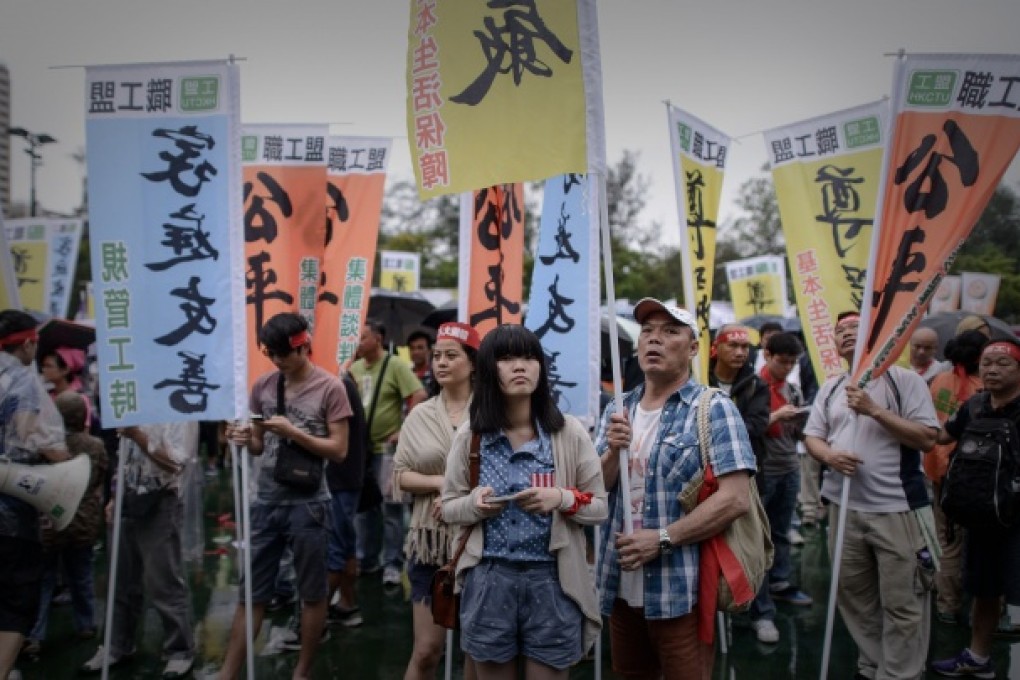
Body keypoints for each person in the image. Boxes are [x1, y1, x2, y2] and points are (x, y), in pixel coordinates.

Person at [595, 298, 757, 680]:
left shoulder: (713, 407)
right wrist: (612, 452)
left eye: (670, 332)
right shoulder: (618, 407)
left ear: (694, 347)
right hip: (619, 582)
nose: (655, 339)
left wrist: (663, 539)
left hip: (680, 587)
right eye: (648, 331)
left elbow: (736, 498)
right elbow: (598, 488)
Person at [442, 324, 607, 679]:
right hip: (488, 578)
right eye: (506, 358)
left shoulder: (568, 432)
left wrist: (560, 498)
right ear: (487, 370)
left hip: (553, 580)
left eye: (529, 357)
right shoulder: (471, 436)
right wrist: (474, 504)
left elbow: (598, 506)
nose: (520, 366)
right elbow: (448, 507)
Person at [803, 311, 939, 680]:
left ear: (876, 337)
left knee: (903, 600)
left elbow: (928, 438)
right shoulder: (832, 386)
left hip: (896, 508)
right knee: (853, 595)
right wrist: (829, 455)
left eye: (855, 328)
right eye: (840, 330)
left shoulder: (904, 381)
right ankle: (877, 664)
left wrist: (874, 410)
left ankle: (901, 674)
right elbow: (812, 436)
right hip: (844, 510)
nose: (846, 334)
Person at [218, 312, 351, 680]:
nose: (277, 360)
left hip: (309, 504)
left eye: (283, 353)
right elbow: (260, 446)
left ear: (303, 346)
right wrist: (246, 439)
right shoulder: (262, 386)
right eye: (271, 353)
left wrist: (294, 432)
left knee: (311, 593)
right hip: (266, 500)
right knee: (253, 592)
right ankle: (228, 672)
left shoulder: (330, 388)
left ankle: (302, 670)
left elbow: (339, 450)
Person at [79, 419, 199, 678]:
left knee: (163, 580)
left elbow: (176, 463)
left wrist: (138, 435)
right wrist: (113, 495)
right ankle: (116, 645)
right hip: (126, 493)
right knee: (120, 579)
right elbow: (122, 455)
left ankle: (179, 649)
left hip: (161, 498)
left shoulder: (179, 410)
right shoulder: (133, 401)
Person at [930, 338, 1020, 678]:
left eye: (1003, 363)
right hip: (982, 518)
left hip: (1017, 522)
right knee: (985, 591)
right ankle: (978, 658)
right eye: (987, 362)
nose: (993, 369)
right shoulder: (975, 405)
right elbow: (941, 436)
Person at [395, 322, 479, 680]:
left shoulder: (492, 414)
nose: (441, 362)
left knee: (476, 651)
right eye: (437, 356)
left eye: (451, 355)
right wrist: (438, 481)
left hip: (479, 541)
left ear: (473, 363)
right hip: (430, 543)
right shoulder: (420, 414)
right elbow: (399, 475)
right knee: (427, 651)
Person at [0, 310, 69, 680]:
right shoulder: (24, 383)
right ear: (27, 343)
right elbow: (34, 438)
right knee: (16, 603)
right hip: (10, 511)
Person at [24, 391, 107, 655]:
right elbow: (100, 477)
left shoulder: (46, 445)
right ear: (83, 418)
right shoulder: (95, 445)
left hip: (50, 522)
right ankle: (86, 624)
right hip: (83, 521)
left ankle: (35, 633)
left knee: (45, 578)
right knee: (81, 575)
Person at [350, 319, 427, 586]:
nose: (358, 342)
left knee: (392, 509)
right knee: (364, 507)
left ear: (378, 339)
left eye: (363, 337)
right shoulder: (355, 368)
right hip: (361, 449)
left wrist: (404, 429)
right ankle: (366, 558)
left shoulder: (394, 365)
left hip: (387, 449)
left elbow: (419, 394)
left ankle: (393, 564)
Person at [748, 332, 812, 644]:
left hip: (789, 467)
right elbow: (750, 428)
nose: (786, 367)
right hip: (762, 472)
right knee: (759, 539)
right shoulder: (752, 388)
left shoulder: (794, 390)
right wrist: (777, 414)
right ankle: (761, 609)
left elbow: (800, 433)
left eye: (791, 362)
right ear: (767, 355)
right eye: (781, 361)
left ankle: (780, 581)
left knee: (782, 531)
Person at [923, 329, 988, 625]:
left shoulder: (939, 381)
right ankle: (984, 609)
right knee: (981, 543)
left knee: (947, 541)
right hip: (975, 477)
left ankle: (946, 605)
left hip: (939, 470)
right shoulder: (986, 389)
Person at [324, 371, 368, 629]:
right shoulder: (344, 380)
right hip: (346, 477)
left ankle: (312, 620)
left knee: (335, 549)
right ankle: (347, 604)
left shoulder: (338, 383)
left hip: (339, 478)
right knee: (345, 544)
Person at [708, 324, 769, 484]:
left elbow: (756, 425)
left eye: (745, 347)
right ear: (716, 347)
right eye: (733, 345)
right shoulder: (700, 379)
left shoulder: (756, 385)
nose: (740, 353)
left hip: (746, 469)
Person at [406, 327, 436, 397]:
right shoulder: (405, 374)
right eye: (412, 348)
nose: (416, 352)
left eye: (420, 348)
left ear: (429, 350)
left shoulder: (436, 376)